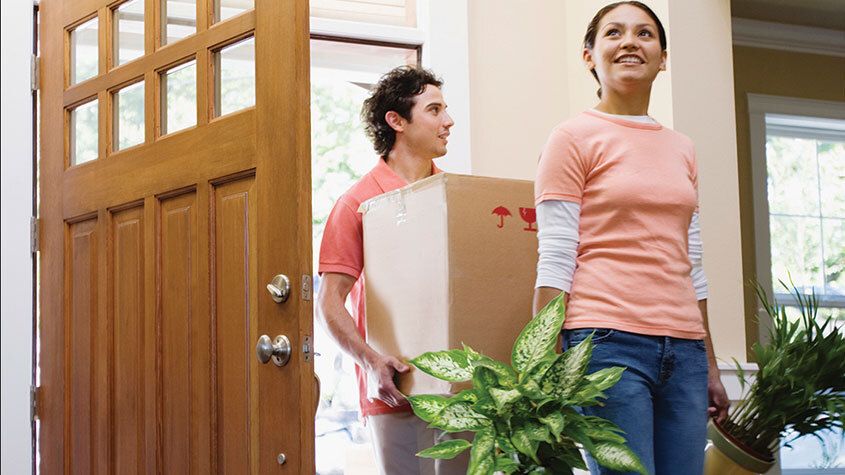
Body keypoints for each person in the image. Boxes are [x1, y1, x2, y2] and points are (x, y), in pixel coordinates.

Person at [532, 2, 730, 474]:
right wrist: (538, 359)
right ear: (589, 56)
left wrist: (711, 362)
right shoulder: (572, 137)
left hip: (683, 349)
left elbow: (691, 259)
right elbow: (557, 254)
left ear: (663, 57)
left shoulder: (683, 148)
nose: (629, 42)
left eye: (644, 34)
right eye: (614, 33)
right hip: (605, 344)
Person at [316, 66, 464, 475]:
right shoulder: (358, 203)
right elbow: (329, 302)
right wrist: (370, 361)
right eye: (434, 110)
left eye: (445, 109)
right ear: (396, 121)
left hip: (461, 391)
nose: (448, 121)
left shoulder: (454, 198)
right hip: (395, 390)